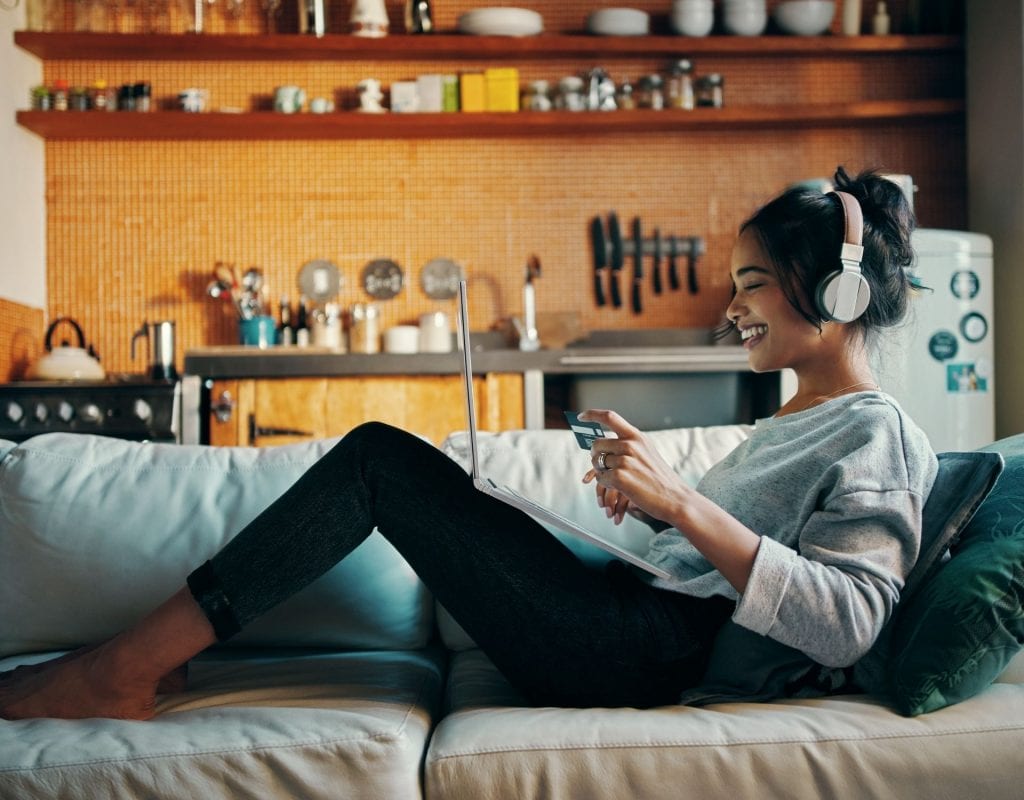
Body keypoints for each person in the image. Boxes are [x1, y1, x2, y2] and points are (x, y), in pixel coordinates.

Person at [0, 166, 936, 720]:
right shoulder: (798, 416)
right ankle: (134, 659)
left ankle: (119, 672)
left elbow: (850, 618)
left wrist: (683, 503)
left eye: (754, 282)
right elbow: (717, 560)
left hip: (641, 655)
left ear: (835, 294)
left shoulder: (875, 432)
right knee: (435, 477)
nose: (733, 307)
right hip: (628, 614)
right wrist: (646, 504)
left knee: (378, 460)